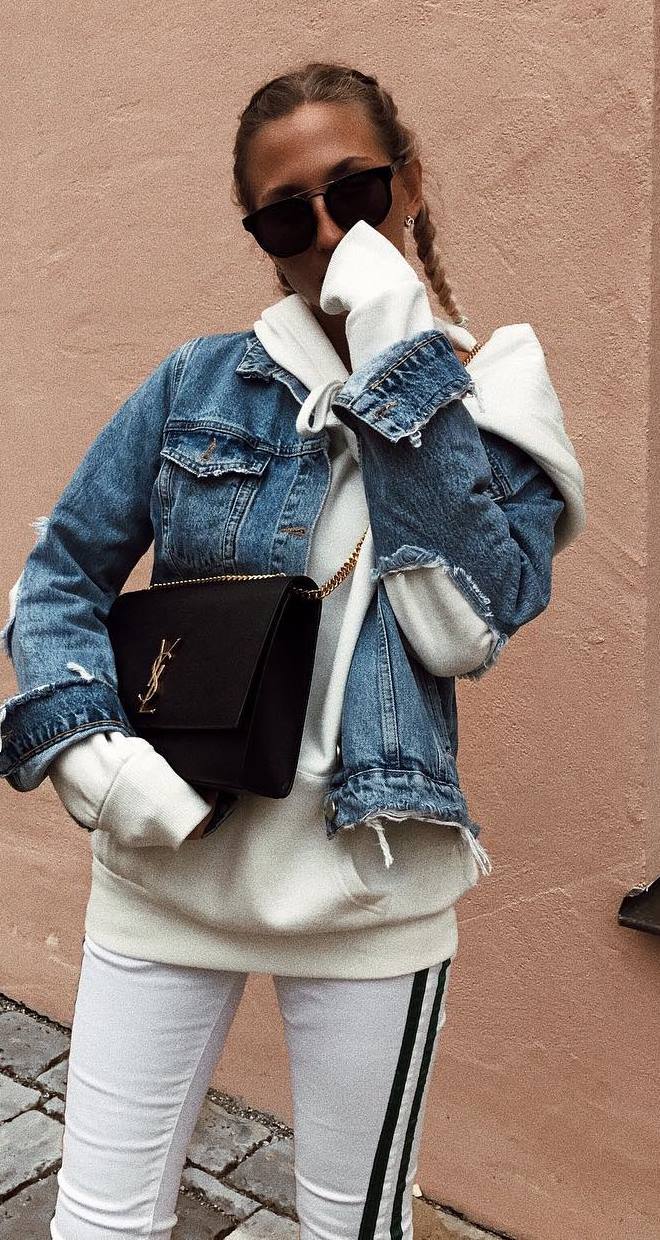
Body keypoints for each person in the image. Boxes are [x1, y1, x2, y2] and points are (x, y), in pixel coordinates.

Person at [0, 61, 586, 1240]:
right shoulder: (198, 381)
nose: (325, 233)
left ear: (410, 181)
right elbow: (56, 579)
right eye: (287, 213)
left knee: (348, 1229)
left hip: (370, 894)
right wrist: (101, 768)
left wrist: (395, 355)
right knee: (98, 1223)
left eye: (354, 192)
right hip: (167, 870)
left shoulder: (499, 397)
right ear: (260, 236)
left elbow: (457, 627)